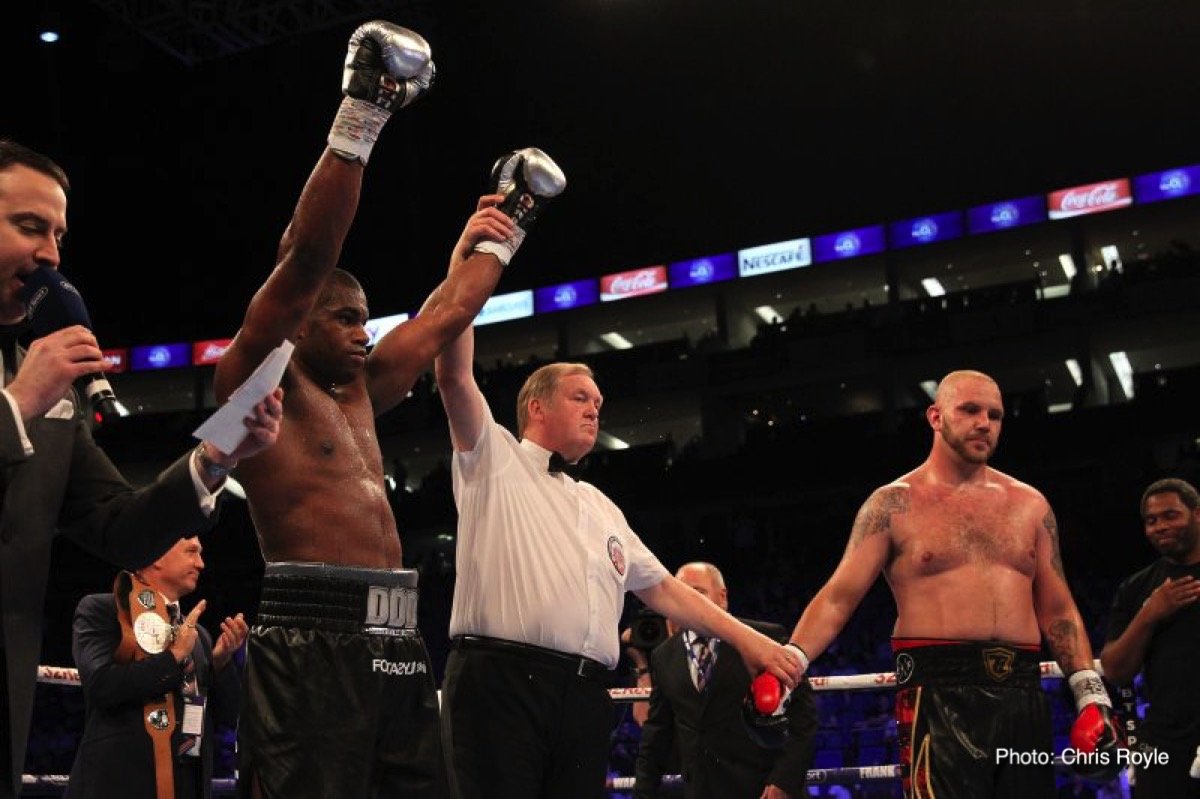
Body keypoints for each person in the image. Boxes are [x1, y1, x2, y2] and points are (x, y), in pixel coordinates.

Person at [211, 21, 557, 799]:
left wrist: (507, 228)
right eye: (345, 320)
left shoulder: (362, 391)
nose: (364, 334)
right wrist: (365, 113)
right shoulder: (259, 379)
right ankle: (367, 92)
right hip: (308, 627)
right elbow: (306, 257)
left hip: (397, 631)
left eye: (367, 319)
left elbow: (444, 316)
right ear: (299, 324)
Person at [0, 139, 282, 799]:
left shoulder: (47, 387)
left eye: (60, 235)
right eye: (29, 226)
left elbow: (120, 529)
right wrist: (16, 407)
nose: (51, 254)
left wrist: (216, 457)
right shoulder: (35, 390)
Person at [433, 326, 803, 799]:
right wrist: (473, 269)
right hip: (500, 686)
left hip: (585, 694)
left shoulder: (601, 506)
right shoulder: (493, 460)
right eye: (580, 398)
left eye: (598, 403)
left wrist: (751, 642)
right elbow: (455, 378)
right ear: (537, 407)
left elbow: (667, 590)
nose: (594, 409)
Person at [783, 369, 1117, 798]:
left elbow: (1058, 609)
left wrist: (1090, 695)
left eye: (995, 415)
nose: (985, 423)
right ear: (936, 417)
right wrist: (789, 663)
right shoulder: (893, 503)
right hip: (935, 692)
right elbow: (838, 598)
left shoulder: (1031, 506)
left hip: (1023, 691)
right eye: (970, 410)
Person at [65, 536, 248, 799]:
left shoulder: (199, 636)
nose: (201, 564)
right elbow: (100, 686)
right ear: (158, 556)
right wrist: (174, 657)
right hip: (120, 784)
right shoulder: (103, 610)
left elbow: (230, 715)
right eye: (191, 552)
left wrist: (221, 663)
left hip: (188, 785)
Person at [634, 562, 817, 799]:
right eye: (683, 594)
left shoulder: (764, 639)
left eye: (698, 593)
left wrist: (783, 783)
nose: (690, 603)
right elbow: (656, 736)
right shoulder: (664, 655)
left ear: (722, 598)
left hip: (762, 788)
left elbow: (803, 718)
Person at [1100, 478, 1200, 798]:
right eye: (1151, 520)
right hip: (1165, 737)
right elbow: (1115, 670)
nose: (1159, 526)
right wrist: (1150, 614)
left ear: (1197, 514)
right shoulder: (1137, 588)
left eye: (1171, 515)